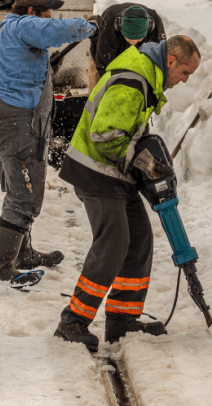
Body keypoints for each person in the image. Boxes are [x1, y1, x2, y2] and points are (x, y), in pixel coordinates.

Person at [54, 35, 201, 351]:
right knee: (114, 242)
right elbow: (106, 135)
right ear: (171, 61)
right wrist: (144, 162)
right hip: (97, 171)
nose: (184, 80)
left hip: (116, 173)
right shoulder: (134, 80)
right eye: (185, 72)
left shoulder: (146, 76)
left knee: (138, 240)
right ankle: (73, 321)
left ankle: (122, 320)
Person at [0, 0, 103, 286]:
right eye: (47, 11)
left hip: (3, 124)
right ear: (32, 11)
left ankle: (23, 253)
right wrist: (91, 27)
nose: (50, 17)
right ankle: (1, 266)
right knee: (23, 197)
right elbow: (56, 31)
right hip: (17, 125)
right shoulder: (23, 26)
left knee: (22, 192)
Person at [89, 3, 166, 83]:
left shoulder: (156, 28)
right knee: (98, 76)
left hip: (142, 49)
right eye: (129, 38)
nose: (133, 43)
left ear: (150, 27)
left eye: (138, 39)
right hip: (112, 46)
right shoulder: (109, 28)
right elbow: (103, 65)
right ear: (119, 27)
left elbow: (160, 64)